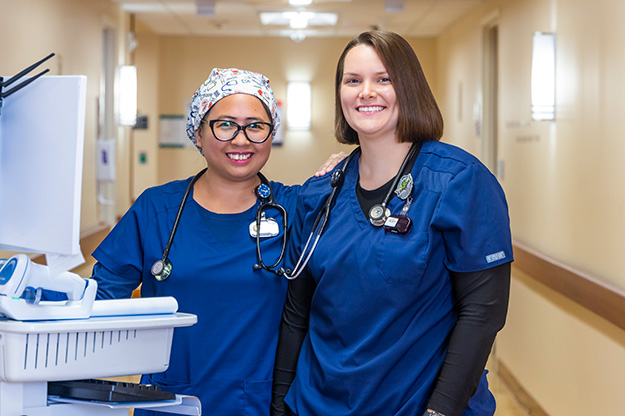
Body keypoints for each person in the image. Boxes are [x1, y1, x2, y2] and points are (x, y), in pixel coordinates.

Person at [271, 30, 513, 416]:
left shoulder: (459, 181)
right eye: (353, 80)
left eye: (384, 79)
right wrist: (280, 404)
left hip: (414, 406)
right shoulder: (320, 193)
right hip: (316, 404)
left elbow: (483, 312)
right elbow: (297, 314)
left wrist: (441, 411)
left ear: (410, 87)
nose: (366, 91)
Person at [91, 67, 342, 416]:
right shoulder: (156, 208)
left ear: (271, 134)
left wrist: (355, 162)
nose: (241, 140)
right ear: (198, 132)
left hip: (261, 403)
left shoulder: (295, 208)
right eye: (225, 124)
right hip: (168, 402)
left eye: (256, 126)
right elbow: (99, 304)